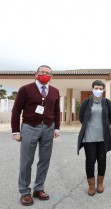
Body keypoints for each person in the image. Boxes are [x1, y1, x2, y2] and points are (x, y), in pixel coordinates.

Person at [11, 65, 60, 206]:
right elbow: (16, 111)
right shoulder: (25, 89)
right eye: (42, 72)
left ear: (52, 76)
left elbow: (56, 111)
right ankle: (24, 192)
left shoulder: (55, 91)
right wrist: (16, 131)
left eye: (48, 73)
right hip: (29, 127)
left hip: (48, 127)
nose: (44, 74)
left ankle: (38, 188)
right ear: (35, 74)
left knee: (45, 159)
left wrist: (57, 128)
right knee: (26, 160)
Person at [77, 80, 111, 196]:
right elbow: (82, 118)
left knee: (102, 160)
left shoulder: (107, 103)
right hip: (89, 137)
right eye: (96, 88)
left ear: (103, 90)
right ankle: (91, 185)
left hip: (103, 138)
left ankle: (100, 183)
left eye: (100, 88)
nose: (98, 90)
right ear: (92, 89)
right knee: (90, 160)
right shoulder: (86, 102)